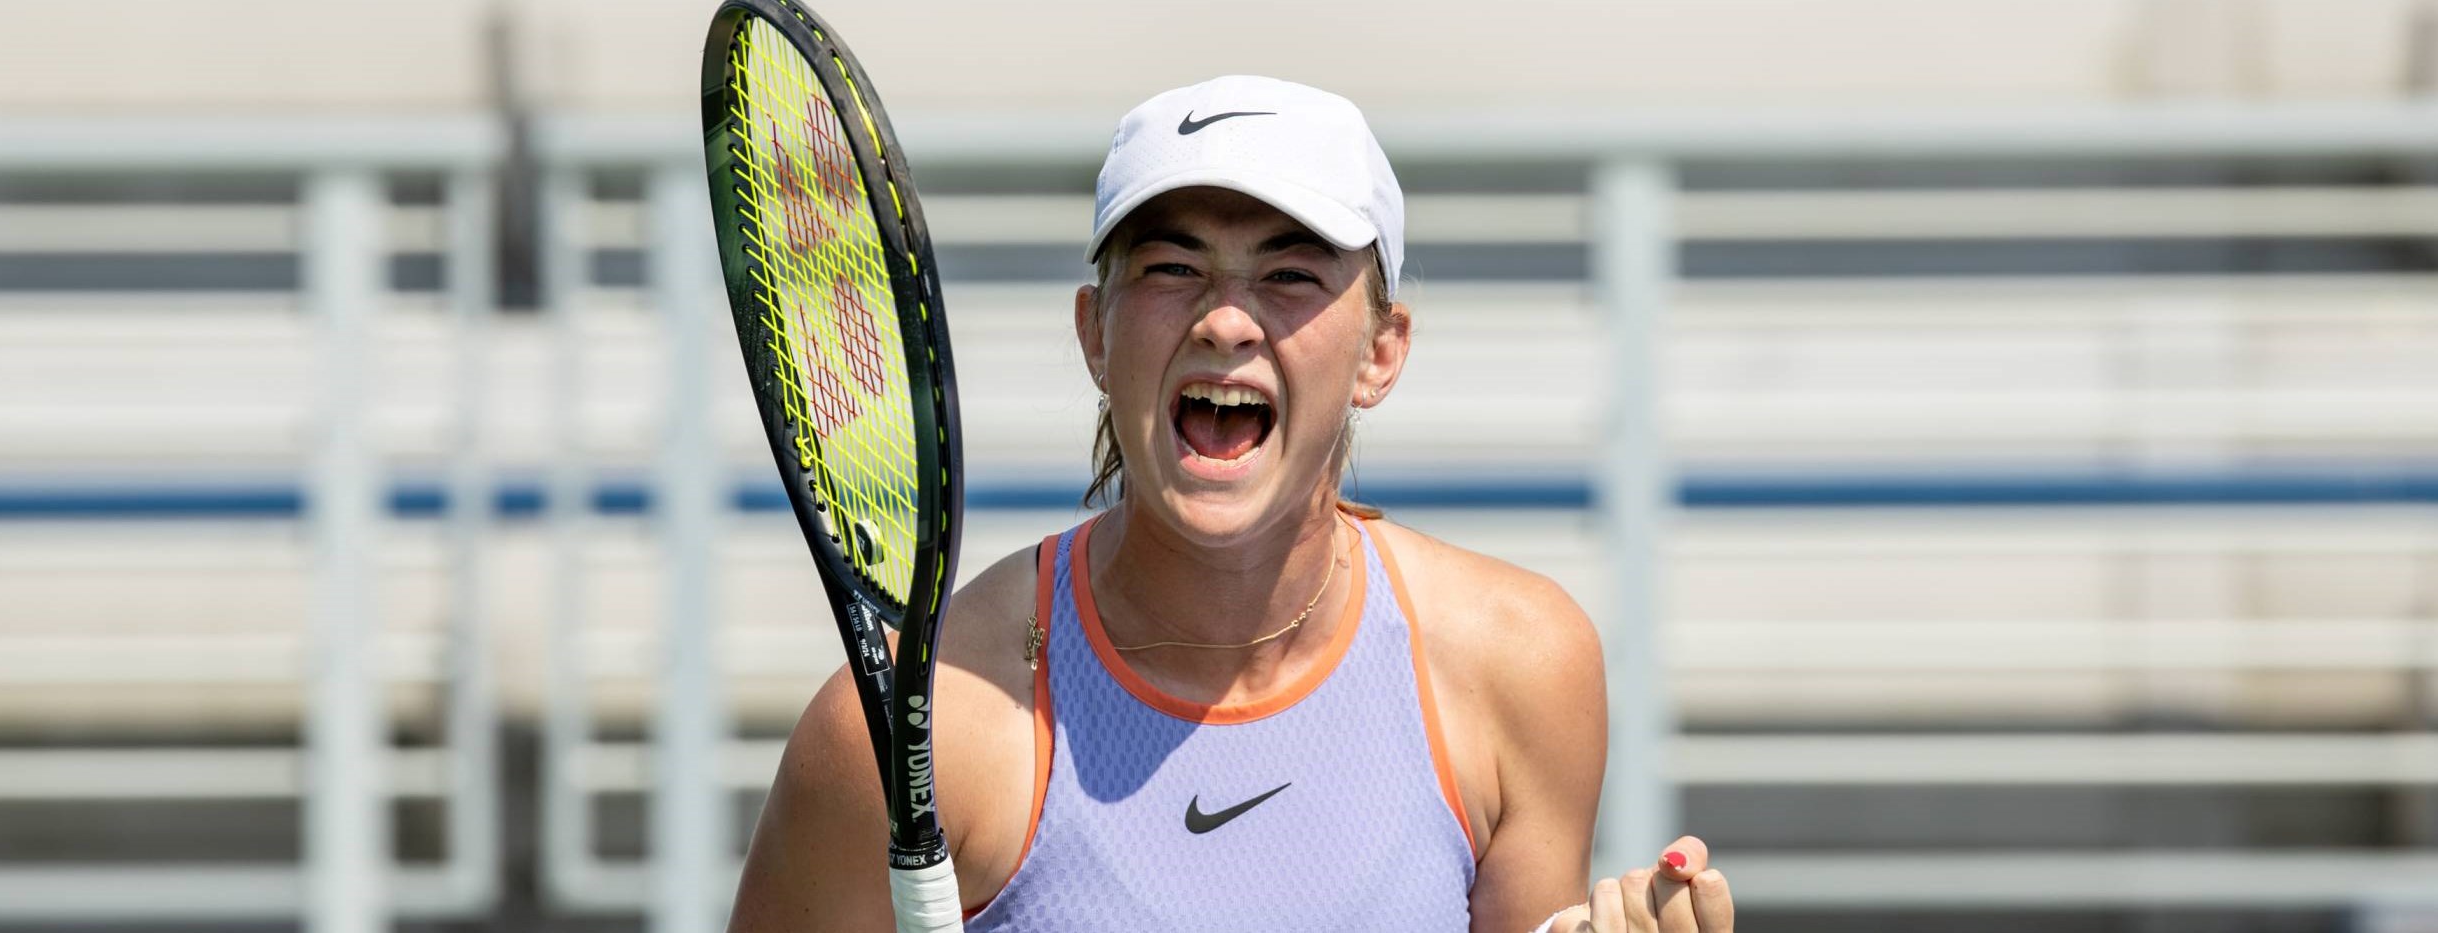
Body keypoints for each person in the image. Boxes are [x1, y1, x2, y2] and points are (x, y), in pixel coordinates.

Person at [730, 74, 1736, 933]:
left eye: (1290, 275)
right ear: (1095, 333)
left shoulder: (1523, 664)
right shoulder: (913, 734)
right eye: (1173, 268)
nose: (1223, 320)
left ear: (1381, 352)